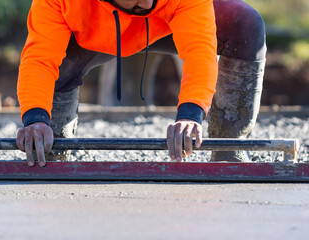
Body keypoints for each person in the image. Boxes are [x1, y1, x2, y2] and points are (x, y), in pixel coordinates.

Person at [16, 0, 266, 167]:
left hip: (167, 24)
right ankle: (49, 150)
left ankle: (230, 148)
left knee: (245, 23)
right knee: (57, 63)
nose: (147, 2)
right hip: (89, 32)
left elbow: (200, 51)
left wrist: (191, 113)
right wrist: (35, 119)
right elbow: (39, 59)